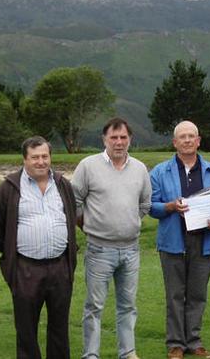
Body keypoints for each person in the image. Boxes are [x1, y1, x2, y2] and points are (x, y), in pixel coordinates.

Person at [0, 136, 78, 359]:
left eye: (45, 156)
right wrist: (13, 255)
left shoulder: (62, 184)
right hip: (26, 269)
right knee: (26, 329)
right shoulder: (9, 188)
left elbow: (71, 217)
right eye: (35, 157)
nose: (41, 162)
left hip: (60, 268)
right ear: (25, 160)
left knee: (59, 328)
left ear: (50, 157)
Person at [72, 117, 152, 359]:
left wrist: (128, 223)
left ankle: (127, 351)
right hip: (99, 249)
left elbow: (145, 204)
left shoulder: (139, 168)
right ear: (104, 139)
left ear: (130, 139)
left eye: (123, 137)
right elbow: (75, 202)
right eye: (114, 137)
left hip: (130, 249)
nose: (119, 142)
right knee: (94, 306)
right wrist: (91, 227)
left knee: (128, 305)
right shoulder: (88, 165)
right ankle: (91, 354)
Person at [148, 121, 210, 359]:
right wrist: (170, 206)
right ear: (175, 142)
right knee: (175, 294)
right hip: (173, 240)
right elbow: (151, 206)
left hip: (204, 240)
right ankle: (175, 344)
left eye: (192, 136)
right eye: (183, 137)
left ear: (199, 141)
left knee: (197, 294)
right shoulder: (160, 171)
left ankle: (194, 341)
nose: (188, 140)